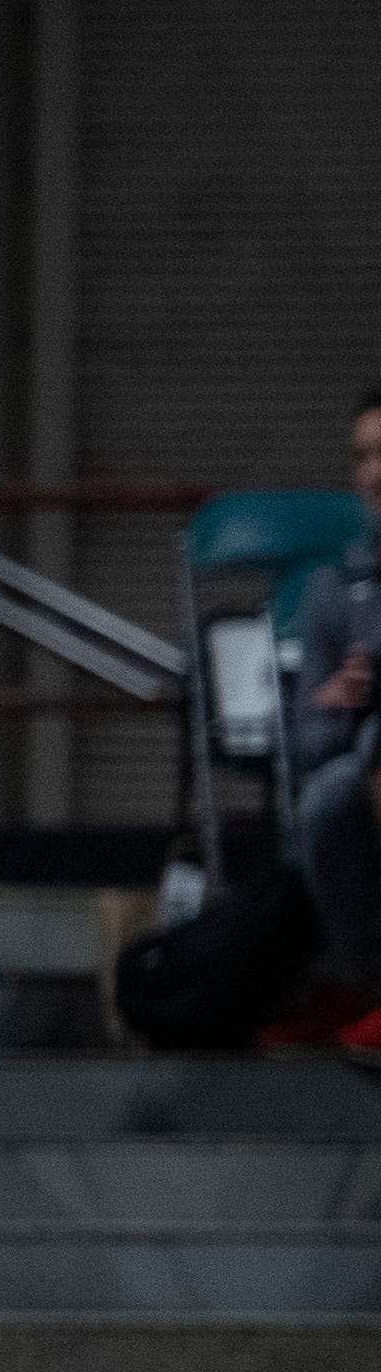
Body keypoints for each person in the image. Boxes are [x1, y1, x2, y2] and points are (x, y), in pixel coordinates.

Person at [286, 386, 381, 1051]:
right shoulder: (330, 589)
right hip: (360, 767)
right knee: (329, 793)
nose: (373, 472)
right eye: (362, 457)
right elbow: (305, 739)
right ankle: (362, 982)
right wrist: (342, 709)